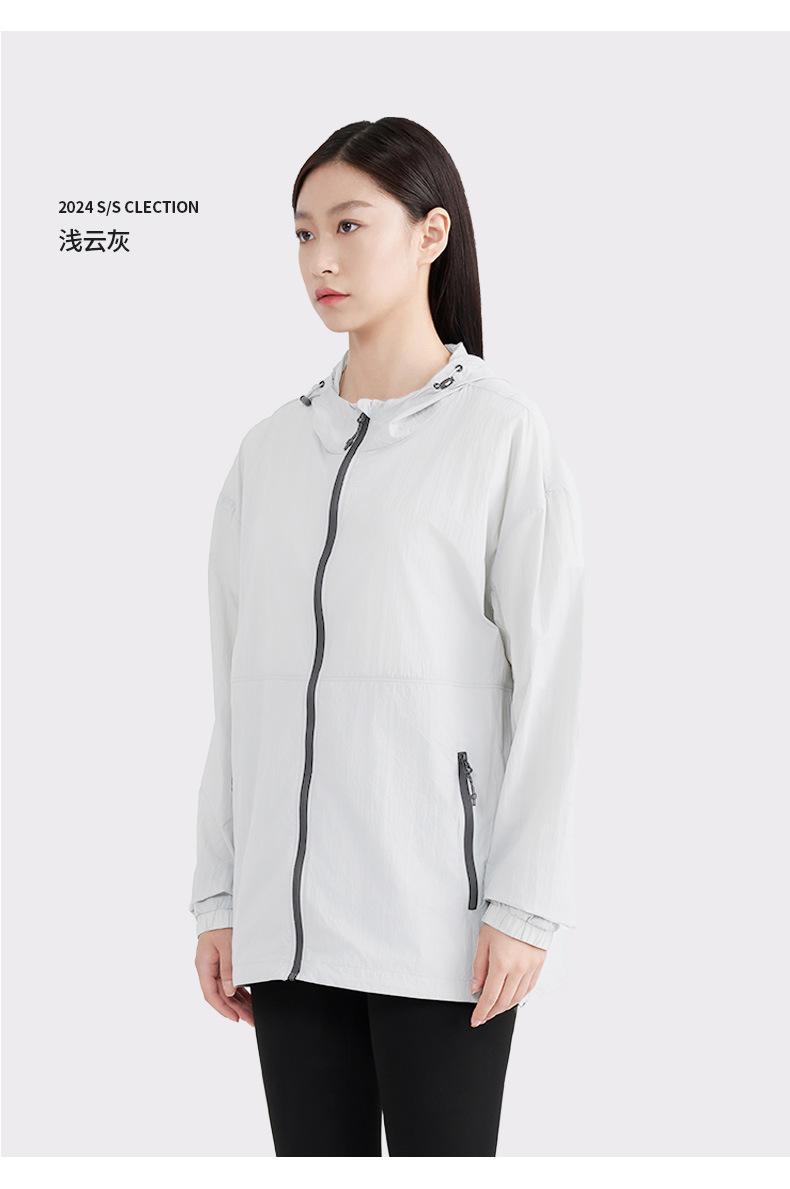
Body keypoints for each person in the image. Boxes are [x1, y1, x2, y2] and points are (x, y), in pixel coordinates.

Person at [188, 116, 585, 1157]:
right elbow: (236, 690)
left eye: (349, 226)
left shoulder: (499, 432)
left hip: (438, 925)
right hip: (286, 927)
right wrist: (220, 893)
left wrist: (524, 906)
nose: (319, 258)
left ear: (430, 234)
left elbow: (551, 681)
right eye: (302, 232)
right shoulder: (270, 451)